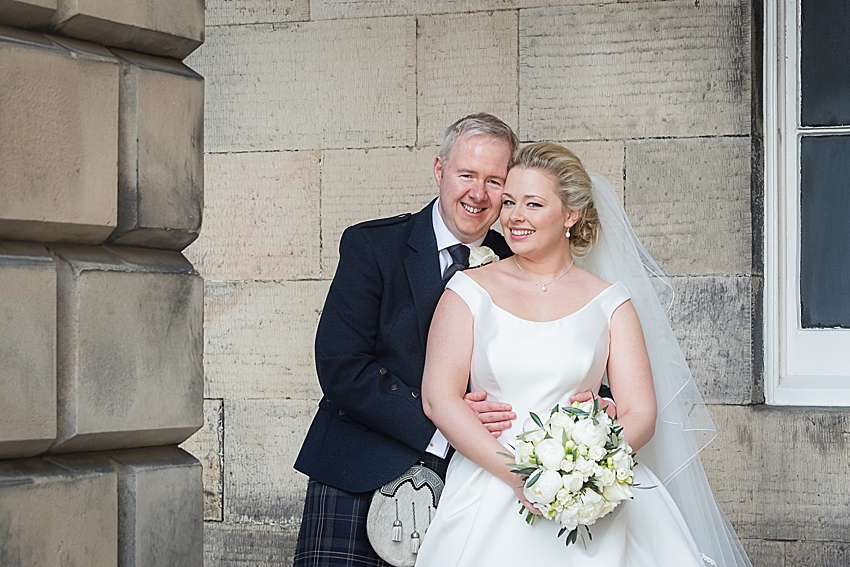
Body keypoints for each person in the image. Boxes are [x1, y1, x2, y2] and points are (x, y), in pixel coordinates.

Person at [416, 142, 752, 566]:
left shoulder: (611, 303)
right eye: (509, 202)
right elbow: (438, 399)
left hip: (592, 497)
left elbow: (641, 414)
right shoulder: (467, 290)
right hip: (491, 485)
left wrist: (586, 468)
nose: (515, 217)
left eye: (533, 204)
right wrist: (519, 476)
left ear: (570, 214)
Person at [292, 114, 524, 567]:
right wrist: (444, 418)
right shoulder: (373, 246)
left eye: (494, 180)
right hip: (357, 471)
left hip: (471, 483)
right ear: (439, 170)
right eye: (467, 175)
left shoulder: (516, 261)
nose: (478, 193)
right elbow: (343, 367)